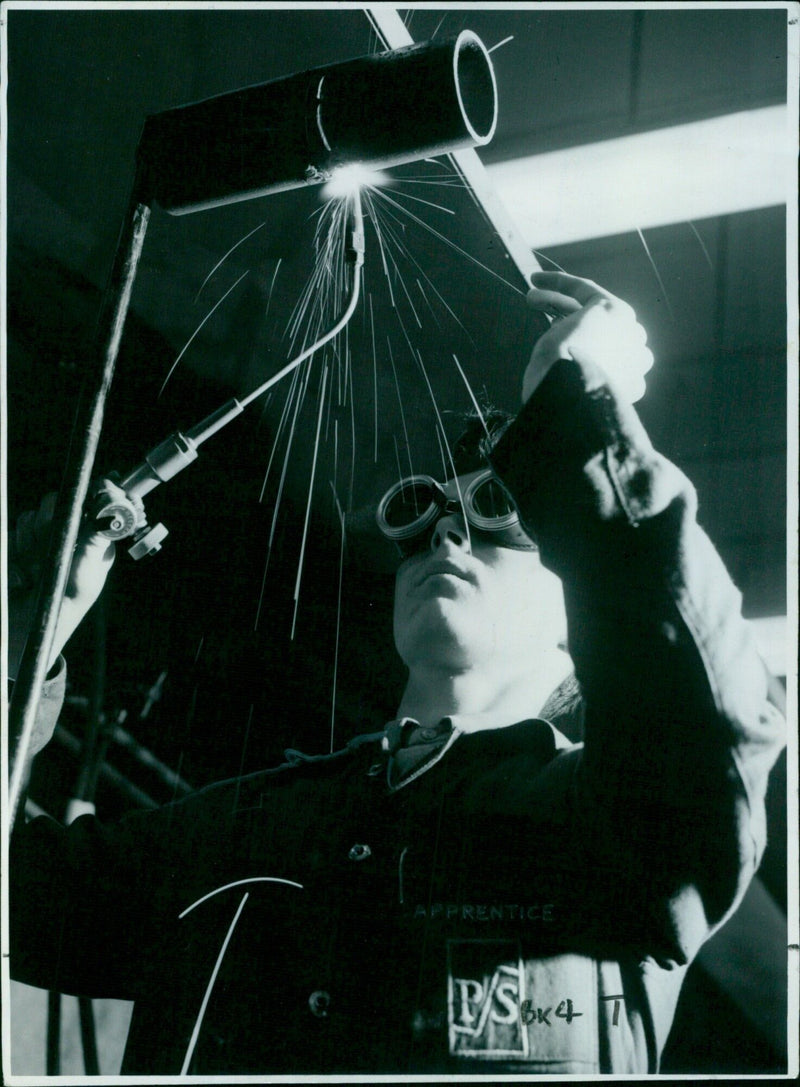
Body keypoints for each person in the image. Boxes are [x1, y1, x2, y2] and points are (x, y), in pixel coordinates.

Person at [7, 272, 785, 1075]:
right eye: (427, 521)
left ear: (574, 605)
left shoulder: (609, 830)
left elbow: (705, 729)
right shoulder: (249, 823)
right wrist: (25, 646)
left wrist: (582, 413)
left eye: (495, 518)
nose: (448, 539)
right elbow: (15, 898)